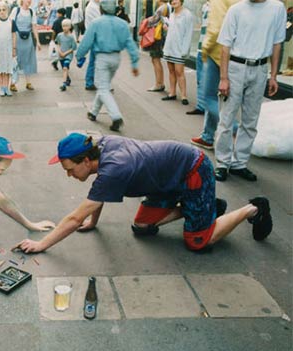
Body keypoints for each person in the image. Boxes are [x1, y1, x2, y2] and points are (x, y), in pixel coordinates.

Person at [14, 133, 273, 254]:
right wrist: (93, 222)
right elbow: (99, 194)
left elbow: (73, 218)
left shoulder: (113, 169)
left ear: (85, 160)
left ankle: (253, 209)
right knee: (142, 226)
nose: (68, 175)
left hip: (192, 169)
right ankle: (207, 207)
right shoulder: (98, 147)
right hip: (166, 181)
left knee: (198, 242)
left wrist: (41, 244)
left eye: (70, 169)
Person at [213, 0, 286, 182]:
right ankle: (222, 163)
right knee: (227, 117)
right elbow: (225, 46)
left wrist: (274, 75)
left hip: (260, 68)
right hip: (236, 67)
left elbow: (277, 43)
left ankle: (239, 164)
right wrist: (224, 78)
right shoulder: (236, 10)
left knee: (250, 121)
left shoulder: (277, 8)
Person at [77, 0, 138, 131]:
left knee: (103, 88)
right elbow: (130, 43)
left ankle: (116, 116)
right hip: (116, 58)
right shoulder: (122, 24)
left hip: (102, 58)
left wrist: (79, 55)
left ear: (102, 9)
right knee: (103, 85)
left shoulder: (96, 23)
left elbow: (86, 42)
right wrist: (134, 62)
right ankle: (93, 112)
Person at [190, 0, 240, 151]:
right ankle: (207, 136)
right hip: (234, 54)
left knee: (208, 98)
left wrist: (206, 49)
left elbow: (216, 29)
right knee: (218, 98)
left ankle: (236, 129)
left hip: (216, 53)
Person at [161, 0, 194, 105]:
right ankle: (172, 93)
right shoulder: (171, 14)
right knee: (171, 71)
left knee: (179, 72)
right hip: (170, 47)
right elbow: (173, 30)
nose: (174, 1)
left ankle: (184, 96)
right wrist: (167, 27)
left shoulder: (187, 14)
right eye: (172, 0)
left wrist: (184, 50)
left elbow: (188, 33)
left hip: (179, 49)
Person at [9, 0, 41, 92]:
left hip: (28, 40)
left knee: (28, 60)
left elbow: (34, 27)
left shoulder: (32, 11)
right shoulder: (16, 10)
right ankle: (12, 83)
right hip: (17, 38)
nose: (29, 1)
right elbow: (11, 24)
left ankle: (28, 82)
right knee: (16, 60)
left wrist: (38, 41)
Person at [186, 0, 209, 115]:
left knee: (208, 82)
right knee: (200, 79)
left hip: (209, 51)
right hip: (200, 48)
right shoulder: (205, 6)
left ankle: (211, 109)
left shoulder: (219, 6)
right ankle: (201, 106)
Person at [145, 0, 170, 92]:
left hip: (157, 37)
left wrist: (147, 21)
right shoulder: (168, 6)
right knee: (156, 59)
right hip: (162, 36)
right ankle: (160, 83)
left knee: (155, 59)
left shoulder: (162, 8)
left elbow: (152, 22)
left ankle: (159, 84)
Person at [83, 0, 100, 90]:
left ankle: (90, 82)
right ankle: (90, 82)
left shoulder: (93, 5)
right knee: (94, 61)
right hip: (95, 37)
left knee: (94, 60)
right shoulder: (92, 7)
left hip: (94, 36)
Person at [55, 18, 76, 91]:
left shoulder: (71, 37)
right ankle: (67, 79)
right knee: (65, 69)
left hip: (68, 55)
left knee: (65, 68)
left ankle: (63, 84)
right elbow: (57, 43)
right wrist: (60, 51)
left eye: (66, 26)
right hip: (61, 55)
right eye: (63, 26)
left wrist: (65, 53)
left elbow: (74, 47)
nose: (65, 28)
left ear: (70, 27)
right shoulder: (59, 35)